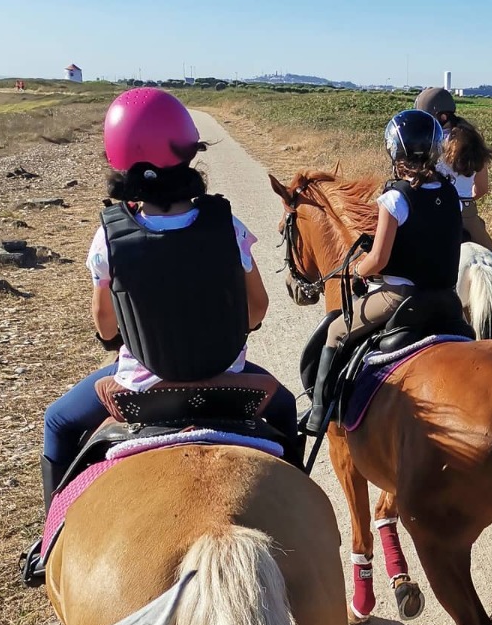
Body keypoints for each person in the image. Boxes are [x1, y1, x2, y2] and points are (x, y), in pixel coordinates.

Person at [29, 88, 299, 567]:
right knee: (285, 409)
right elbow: (257, 309)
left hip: (140, 386)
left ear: (121, 160)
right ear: (188, 154)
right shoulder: (227, 224)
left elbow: (106, 326)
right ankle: (301, 525)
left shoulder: (109, 236)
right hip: (228, 385)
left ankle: (49, 547)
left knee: (58, 423)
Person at [304, 109, 464, 434]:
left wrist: (358, 269)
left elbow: (377, 259)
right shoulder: (451, 195)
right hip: (447, 299)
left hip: (401, 297)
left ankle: (320, 414)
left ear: (396, 153)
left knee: (335, 331)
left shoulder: (395, 199)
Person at [414, 86, 492, 254]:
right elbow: (482, 189)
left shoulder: (428, 142)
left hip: (431, 213)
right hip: (467, 217)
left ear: (442, 116)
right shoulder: (473, 141)